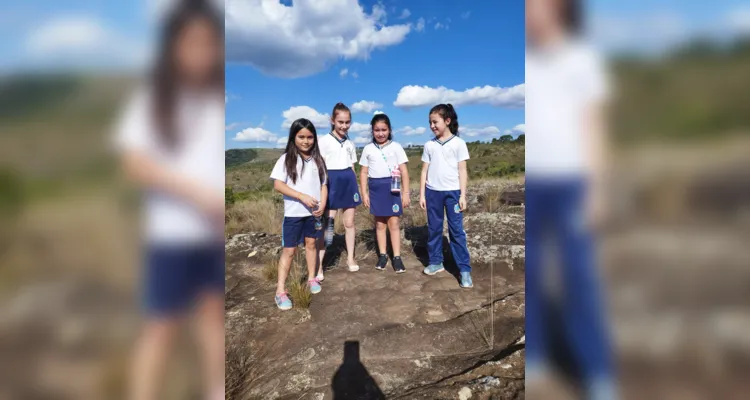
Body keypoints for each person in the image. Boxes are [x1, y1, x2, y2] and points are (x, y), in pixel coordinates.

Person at [114, 1, 224, 399]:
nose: (202, 52)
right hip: (170, 237)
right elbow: (133, 163)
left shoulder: (215, 97)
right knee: (161, 327)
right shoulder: (153, 97)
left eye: (210, 43)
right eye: (192, 42)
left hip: (211, 238)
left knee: (213, 321)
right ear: (173, 46)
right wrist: (193, 193)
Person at [525, 0, 617, 399]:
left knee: (580, 277)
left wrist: (598, 188)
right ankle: (538, 355)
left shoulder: (581, 57)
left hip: (571, 184)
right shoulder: (526, 60)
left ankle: (598, 372)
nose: (533, 12)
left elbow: (594, 125)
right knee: (533, 275)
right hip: (533, 185)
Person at [269, 118, 328, 310]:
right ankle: (280, 291)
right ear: (293, 137)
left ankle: (311, 278)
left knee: (311, 244)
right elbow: (278, 185)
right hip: (294, 214)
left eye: (310, 137)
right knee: (290, 250)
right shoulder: (286, 159)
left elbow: (323, 185)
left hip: (313, 213)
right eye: (301, 136)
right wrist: (300, 196)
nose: (306, 141)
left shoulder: (318, 160)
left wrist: (323, 203)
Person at [419, 104, 473, 288]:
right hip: (432, 192)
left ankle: (464, 270)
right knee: (434, 229)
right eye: (430, 122)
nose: (432, 126)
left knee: (456, 231)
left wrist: (463, 195)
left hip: (453, 193)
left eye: (435, 122)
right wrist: (422, 195)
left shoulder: (459, 143)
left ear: (447, 121)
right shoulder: (429, 145)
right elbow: (424, 170)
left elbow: (462, 170)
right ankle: (436, 262)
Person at [358, 113, 410, 273]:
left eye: (384, 130)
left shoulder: (397, 147)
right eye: (377, 130)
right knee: (380, 224)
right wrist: (364, 193)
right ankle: (382, 255)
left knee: (393, 223)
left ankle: (396, 257)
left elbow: (404, 171)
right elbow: (363, 172)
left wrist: (406, 192)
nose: (380, 133)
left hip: (392, 188)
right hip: (375, 189)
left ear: (389, 130)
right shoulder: (368, 149)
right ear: (372, 131)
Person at [317, 102, 362, 278]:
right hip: (330, 184)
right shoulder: (324, 141)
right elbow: (320, 168)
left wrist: (355, 184)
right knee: (328, 224)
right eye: (340, 122)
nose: (344, 126)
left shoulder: (351, 143)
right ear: (332, 120)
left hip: (348, 183)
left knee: (349, 223)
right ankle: (319, 266)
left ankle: (351, 258)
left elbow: (352, 167)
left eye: (347, 122)